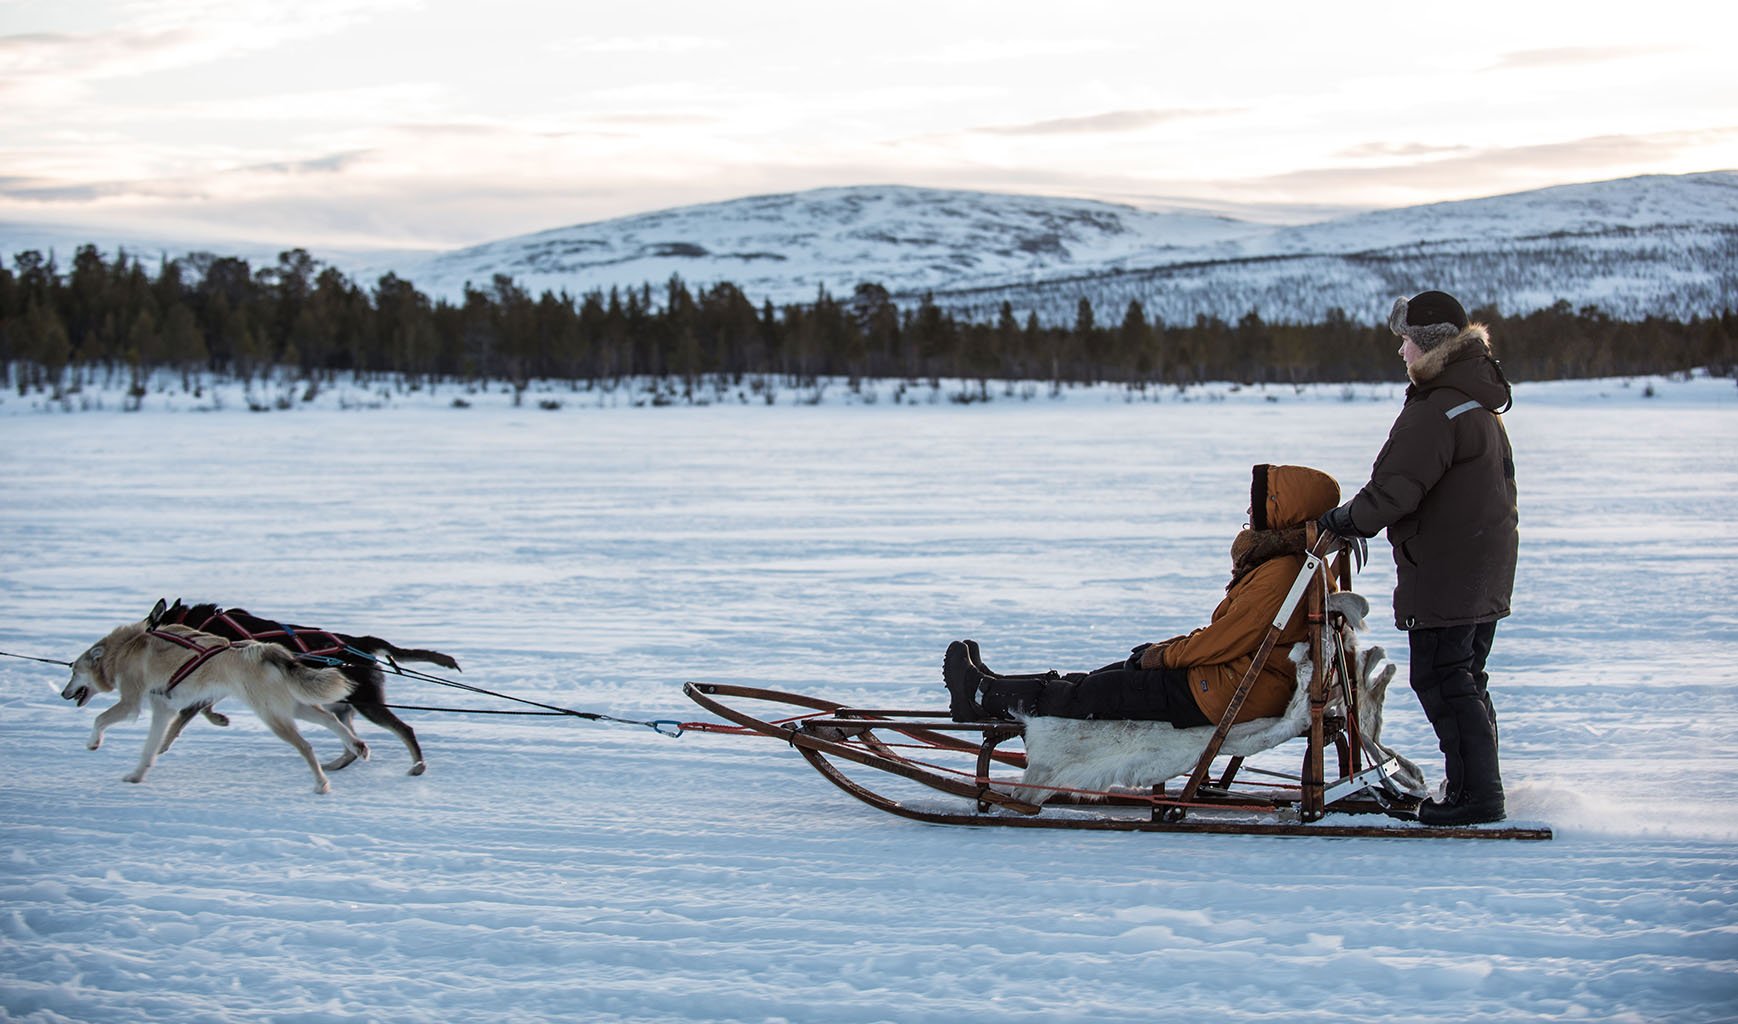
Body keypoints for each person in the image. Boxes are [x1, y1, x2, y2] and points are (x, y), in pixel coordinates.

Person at [1317, 290, 1517, 827]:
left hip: (1450, 570)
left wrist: (1339, 522)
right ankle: (1477, 784)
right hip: (1481, 566)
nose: (1400, 352)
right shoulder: (1473, 401)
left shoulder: (1438, 410)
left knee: (1443, 678)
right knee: (1464, 677)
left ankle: (1477, 797)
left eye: (1405, 341)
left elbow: (1394, 491)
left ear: (1429, 346)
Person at [944, 464, 1342, 731]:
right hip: (1235, 684)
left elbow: (1227, 639)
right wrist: (1165, 650)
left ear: (1280, 511)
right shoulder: (1297, 565)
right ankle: (994, 688)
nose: (1249, 512)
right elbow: (1233, 636)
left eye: (1258, 503)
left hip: (1226, 694)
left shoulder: (1282, 573)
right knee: (1102, 680)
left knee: (1091, 695)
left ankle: (980, 697)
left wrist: (1164, 656)